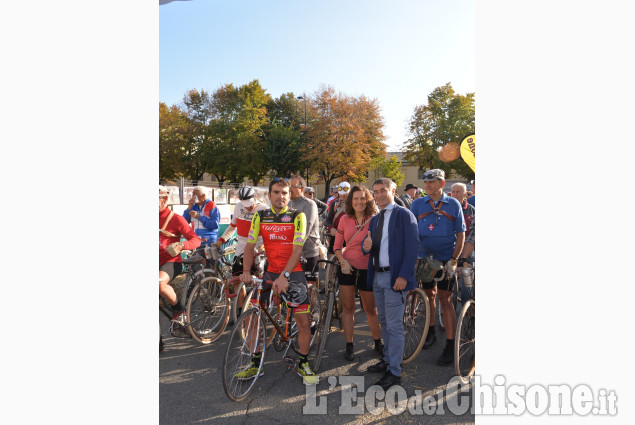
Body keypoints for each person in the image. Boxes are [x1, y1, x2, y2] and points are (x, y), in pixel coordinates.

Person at [238, 178, 318, 385]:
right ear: (269, 195)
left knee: (303, 322)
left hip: (294, 273)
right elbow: (249, 246)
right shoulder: (260, 216)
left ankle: (303, 362)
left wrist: (286, 276)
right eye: (276, 192)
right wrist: (246, 271)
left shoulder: (296, 216)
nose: (280, 196)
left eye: (284, 192)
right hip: (270, 273)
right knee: (253, 317)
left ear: (289, 195)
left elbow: (297, 249)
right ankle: (255, 363)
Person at [361, 178, 419, 391]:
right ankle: (387, 360)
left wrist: (403, 275)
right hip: (377, 276)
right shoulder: (375, 219)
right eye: (375, 192)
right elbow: (369, 245)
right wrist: (365, 247)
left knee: (394, 326)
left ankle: (394, 372)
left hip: (394, 278)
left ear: (393, 191)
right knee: (384, 322)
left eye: (383, 190)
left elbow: (413, 247)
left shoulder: (404, 215)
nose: (379, 195)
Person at [410, 169, 466, 366]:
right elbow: (410, 231)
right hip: (425, 259)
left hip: (446, 259)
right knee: (429, 296)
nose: (427, 186)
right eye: (425, 183)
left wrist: (454, 260)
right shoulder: (417, 204)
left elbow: (461, 235)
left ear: (442, 183)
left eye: (431, 182)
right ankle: (431, 330)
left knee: (446, 299)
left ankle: (450, 345)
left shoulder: (453, 204)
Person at [333, 185, 383, 361]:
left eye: (362, 198)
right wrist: (343, 261)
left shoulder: (375, 219)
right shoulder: (344, 219)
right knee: (348, 308)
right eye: (355, 199)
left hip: (367, 268)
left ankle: (378, 342)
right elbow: (337, 246)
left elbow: (383, 246)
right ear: (350, 201)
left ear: (368, 200)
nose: (359, 202)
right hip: (347, 267)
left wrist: (373, 245)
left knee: (370, 308)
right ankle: (349, 344)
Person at [215, 186, 268, 320]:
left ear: (255, 198)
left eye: (249, 205)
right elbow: (232, 226)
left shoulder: (264, 209)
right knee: (237, 280)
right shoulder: (238, 207)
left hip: (258, 246)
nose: (248, 208)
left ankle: (257, 310)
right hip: (241, 246)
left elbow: (269, 231)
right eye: (245, 205)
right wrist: (221, 241)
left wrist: (264, 246)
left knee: (257, 281)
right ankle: (241, 311)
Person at [159, 185, 201, 352]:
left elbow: (195, 240)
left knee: (158, 282)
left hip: (171, 262)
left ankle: (179, 309)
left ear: (165, 199)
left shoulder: (175, 219)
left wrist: (181, 245)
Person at [289, 175, 322, 288]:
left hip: (308, 251)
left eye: (293, 186)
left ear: (302, 189)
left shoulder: (309, 204)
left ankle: (311, 305)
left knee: (308, 288)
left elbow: (305, 229)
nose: (289, 189)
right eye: (288, 185)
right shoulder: (286, 203)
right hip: (290, 252)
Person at [324, 182, 350, 253]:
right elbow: (328, 220)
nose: (342, 195)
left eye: (344, 194)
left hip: (349, 236)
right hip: (336, 234)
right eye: (341, 193)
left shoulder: (354, 203)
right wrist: (331, 228)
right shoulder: (334, 203)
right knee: (332, 256)